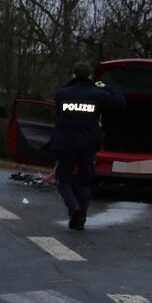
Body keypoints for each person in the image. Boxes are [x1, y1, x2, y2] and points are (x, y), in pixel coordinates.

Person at [50, 62, 126, 230]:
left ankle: (73, 208)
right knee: (84, 182)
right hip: (87, 145)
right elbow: (121, 102)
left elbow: (57, 111)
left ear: (73, 75)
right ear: (90, 76)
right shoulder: (97, 94)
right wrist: (105, 87)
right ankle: (80, 219)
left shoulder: (62, 94)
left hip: (65, 144)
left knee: (63, 180)